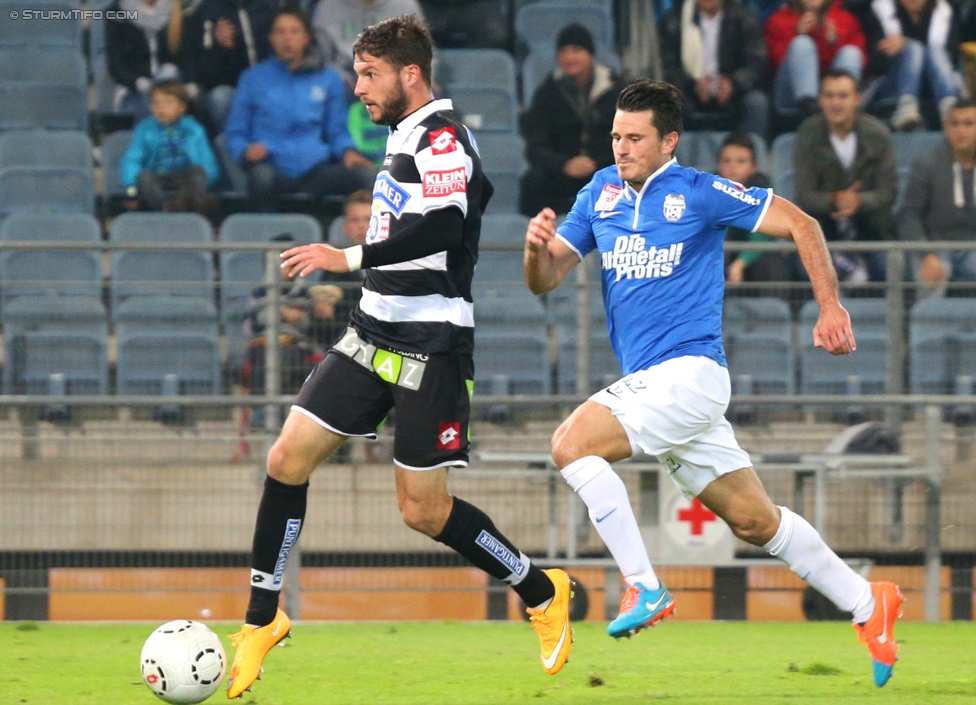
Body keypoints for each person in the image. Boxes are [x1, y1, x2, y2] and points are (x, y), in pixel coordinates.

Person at [225, 16, 573, 700]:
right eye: (358, 73)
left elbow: (442, 228)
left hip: (430, 342)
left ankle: (540, 587)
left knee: (422, 511)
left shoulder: (441, 137)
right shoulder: (402, 134)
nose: (358, 88)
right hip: (370, 333)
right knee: (285, 459)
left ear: (410, 74)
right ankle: (261, 619)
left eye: (369, 74)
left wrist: (347, 255)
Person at [522, 79, 903, 688]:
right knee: (756, 523)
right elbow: (544, 280)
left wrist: (831, 308)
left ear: (669, 141)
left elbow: (803, 224)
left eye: (635, 138)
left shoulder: (699, 192)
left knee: (571, 443)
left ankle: (643, 587)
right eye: (616, 136)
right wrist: (534, 249)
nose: (621, 147)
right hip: (656, 387)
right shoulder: (599, 193)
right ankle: (868, 602)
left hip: (691, 374)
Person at [223, 7, 376, 214]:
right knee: (261, 178)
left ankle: (379, 241)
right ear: (271, 38)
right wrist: (245, 150)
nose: (287, 39)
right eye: (280, 32)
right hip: (272, 166)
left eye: (294, 31)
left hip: (316, 168)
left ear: (307, 38)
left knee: (366, 175)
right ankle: (265, 242)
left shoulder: (328, 78)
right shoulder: (252, 78)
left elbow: (337, 130)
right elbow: (235, 133)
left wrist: (348, 151)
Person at [793, 70, 898, 283]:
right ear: (820, 100)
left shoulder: (878, 134)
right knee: (806, 268)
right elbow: (804, 195)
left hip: (873, 232)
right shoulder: (808, 133)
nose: (835, 103)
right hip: (822, 233)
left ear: (858, 99)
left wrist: (859, 201)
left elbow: (888, 192)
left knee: (891, 269)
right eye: (829, 96)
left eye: (843, 96)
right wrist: (836, 200)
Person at [519, 23, 627, 217]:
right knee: (533, 180)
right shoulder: (547, 93)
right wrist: (565, 164)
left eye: (576, 50)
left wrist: (595, 163)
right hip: (561, 173)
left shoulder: (617, 91)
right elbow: (535, 147)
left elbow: (627, 139)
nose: (569, 58)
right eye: (563, 52)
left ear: (590, 54)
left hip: (604, 169)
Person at [659, 0, 770, 139]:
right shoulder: (673, 21)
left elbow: (756, 62)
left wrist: (734, 83)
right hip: (688, 91)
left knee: (757, 103)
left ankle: (746, 156)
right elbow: (666, 66)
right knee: (665, 103)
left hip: (733, 92)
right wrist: (692, 85)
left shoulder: (744, 18)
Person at [898, 98, 976, 293]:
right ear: (946, 127)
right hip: (934, 247)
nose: (961, 131)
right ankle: (925, 323)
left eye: (969, 124)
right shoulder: (927, 163)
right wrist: (926, 254)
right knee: (930, 279)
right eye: (955, 124)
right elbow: (909, 215)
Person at [119, 80, 220, 214]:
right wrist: (131, 189)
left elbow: (207, 162)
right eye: (156, 103)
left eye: (168, 102)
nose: (161, 108)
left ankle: (190, 208)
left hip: (186, 178)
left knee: (198, 173)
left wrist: (208, 181)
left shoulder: (194, 129)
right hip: (158, 177)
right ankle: (167, 209)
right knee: (144, 177)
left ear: (181, 107)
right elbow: (131, 160)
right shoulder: (144, 129)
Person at [863, 0, 963, 130]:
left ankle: (949, 110)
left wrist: (909, 45)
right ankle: (906, 108)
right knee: (913, 48)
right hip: (892, 85)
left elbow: (953, 59)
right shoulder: (880, 13)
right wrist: (903, 52)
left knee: (935, 51)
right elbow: (877, 65)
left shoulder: (944, 13)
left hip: (933, 85)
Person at [180, 0, 277, 133]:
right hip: (230, 85)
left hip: (270, 80)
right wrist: (223, 48)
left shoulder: (266, 7)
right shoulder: (207, 11)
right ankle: (232, 145)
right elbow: (200, 67)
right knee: (220, 97)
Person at [718, 132, 792, 299]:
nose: (732, 167)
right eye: (726, 161)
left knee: (773, 260)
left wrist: (740, 264)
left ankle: (775, 318)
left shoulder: (763, 189)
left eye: (741, 161)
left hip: (752, 260)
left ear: (754, 166)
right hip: (721, 257)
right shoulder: (707, 188)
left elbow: (763, 236)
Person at [765, 0, 866, 117]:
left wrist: (833, 43)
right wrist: (797, 34)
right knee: (802, 43)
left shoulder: (845, 18)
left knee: (850, 52)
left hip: (831, 89)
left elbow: (861, 59)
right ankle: (810, 108)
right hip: (791, 97)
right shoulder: (779, 19)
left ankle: (844, 106)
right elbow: (775, 61)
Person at [105, 0, 185, 119]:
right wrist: (138, 82)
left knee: (168, 72)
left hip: (170, 82)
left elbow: (185, 57)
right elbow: (116, 65)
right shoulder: (116, 12)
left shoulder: (176, 10)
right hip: (133, 86)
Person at [311, 0, 424, 84]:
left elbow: (421, 49)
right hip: (345, 80)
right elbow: (321, 56)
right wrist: (345, 78)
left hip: (395, 76)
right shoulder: (328, 7)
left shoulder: (405, 5)